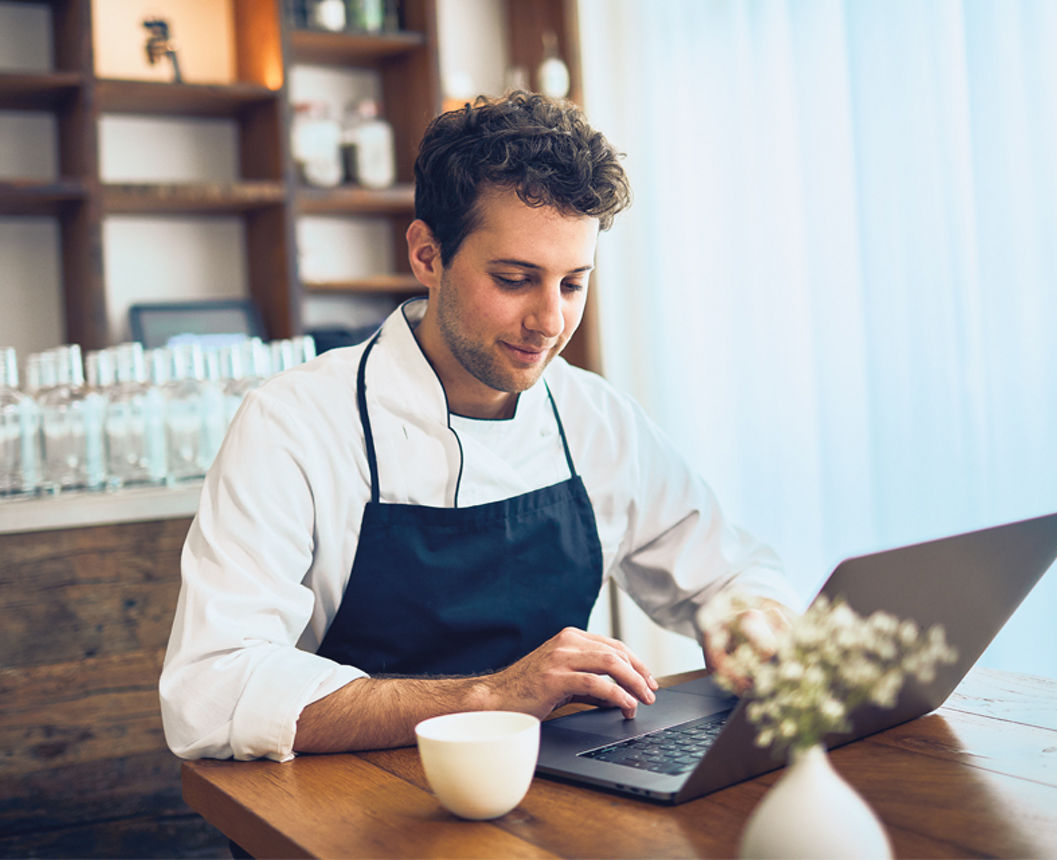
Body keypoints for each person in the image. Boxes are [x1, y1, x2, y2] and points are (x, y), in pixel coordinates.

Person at [160, 92, 797, 761]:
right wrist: (491, 697)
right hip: (345, 807)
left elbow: (729, 573)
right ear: (427, 255)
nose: (550, 322)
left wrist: (757, 621)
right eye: (516, 279)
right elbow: (209, 690)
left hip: (546, 793)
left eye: (573, 284)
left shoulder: (597, 418)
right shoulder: (294, 425)